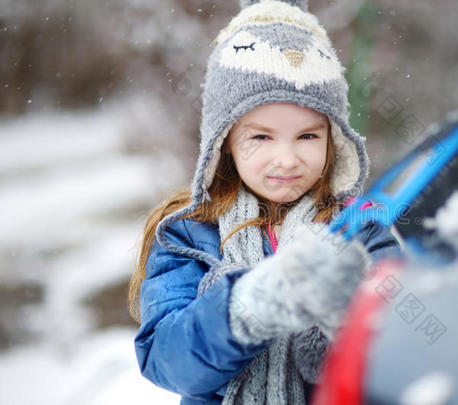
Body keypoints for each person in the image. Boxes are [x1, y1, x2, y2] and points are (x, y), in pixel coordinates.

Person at [128, 1, 403, 404]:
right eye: (261, 137)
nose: (287, 159)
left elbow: (401, 352)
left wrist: (345, 316)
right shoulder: (186, 235)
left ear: (334, 139)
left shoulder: (361, 231)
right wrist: (246, 308)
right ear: (224, 142)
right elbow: (167, 359)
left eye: (308, 136)